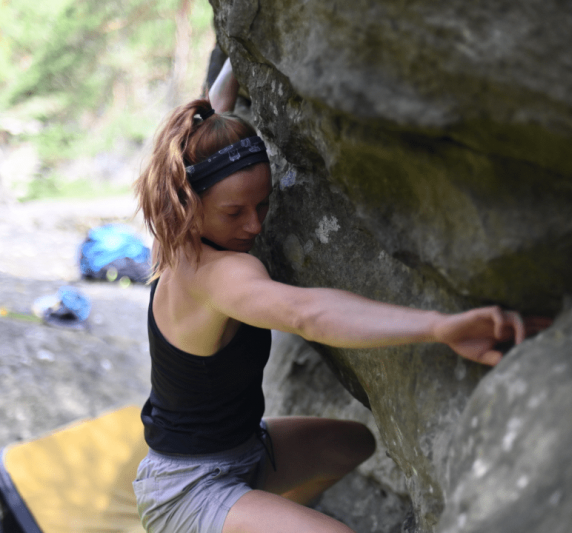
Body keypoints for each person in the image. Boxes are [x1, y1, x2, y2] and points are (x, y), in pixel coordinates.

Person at [132, 59, 548, 533]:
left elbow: (215, 106)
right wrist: (437, 326)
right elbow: (307, 313)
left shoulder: (179, 223)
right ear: (191, 203)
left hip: (243, 451)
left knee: (350, 446)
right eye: (235, 212)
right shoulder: (214, 275)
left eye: (262, 203)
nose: (254, 224)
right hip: (188, 488)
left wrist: (235, 62)